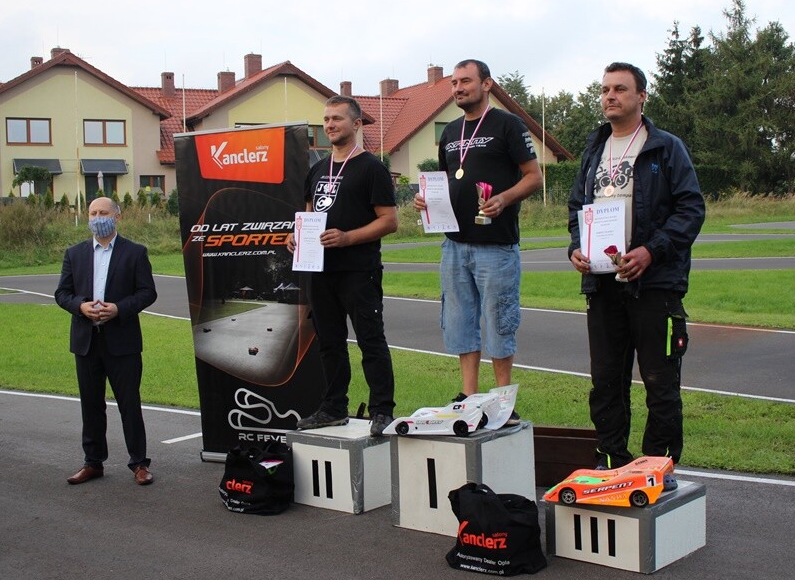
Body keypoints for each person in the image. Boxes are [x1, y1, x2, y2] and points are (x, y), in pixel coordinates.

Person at [568, 62, 705, 490]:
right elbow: (576, 209)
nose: (610, 96)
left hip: (655, 285)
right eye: (605, 89)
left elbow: (691, 210)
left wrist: (651, 251)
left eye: (621, 89)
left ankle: (655, 472)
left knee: (660, 385)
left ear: (642, 96)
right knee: (606, 382)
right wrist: (576, 248)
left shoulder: (665, 148)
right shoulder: (593, 150)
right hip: (603, 286)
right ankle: (611, 464)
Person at [413, 59, 542, 409]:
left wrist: (504, 198)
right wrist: (426, 201)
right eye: (454, 83)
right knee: (459, 320)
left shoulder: (508, 125)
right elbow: (444, 181)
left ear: (487, 84)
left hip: (496, 244)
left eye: (466, 81)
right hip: (454, 244)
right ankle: (468, 395)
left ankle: (502, 399)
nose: (458, 88)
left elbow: (534, 176)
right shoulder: (450, 132)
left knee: (499, 320)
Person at [288, 96, 398, 437]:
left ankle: (382, 410)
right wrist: (296, 236)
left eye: (337, 118)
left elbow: (390, 221)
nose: (330, 125)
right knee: (330, 343)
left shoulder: (371, 168)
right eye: (326, 119)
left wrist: (348, 238)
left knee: (370, 341)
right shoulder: (317, 169)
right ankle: (333, 407)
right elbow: (308, 214)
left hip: (358, 270)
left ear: (356, 124)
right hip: (320, 272)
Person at [55, 197, 158, 485]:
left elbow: (147, 292)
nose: (97, 217)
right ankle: (93, 462)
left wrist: (119, 308)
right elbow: (61, 293)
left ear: (117, 217)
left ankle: (139, 463)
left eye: (103, 213)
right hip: (86, 342)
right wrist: (80, 306)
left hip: (122, 341)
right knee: (90, 403)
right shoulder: (74, 254)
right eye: (93, 213)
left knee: (129, 403)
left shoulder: (135, 253)